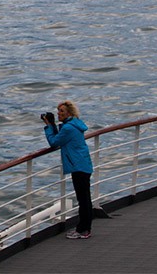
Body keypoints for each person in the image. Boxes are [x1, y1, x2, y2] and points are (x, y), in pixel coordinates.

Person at [42, 100, 94, 239]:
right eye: (58, 111)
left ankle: (83, 230)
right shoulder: (74, 124)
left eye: (62, 111)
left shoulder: (68, 128)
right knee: (85, 199)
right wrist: (53, 125)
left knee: (83, 200)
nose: (59, 113)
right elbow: (60, 139)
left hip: (78, 166)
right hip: (83, 164)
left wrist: (49, 126)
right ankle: (85, 229)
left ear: (69, 113)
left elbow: (54, 142)